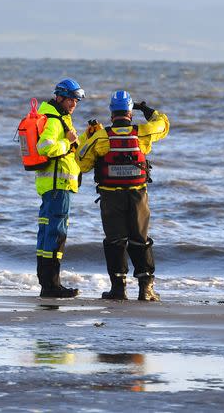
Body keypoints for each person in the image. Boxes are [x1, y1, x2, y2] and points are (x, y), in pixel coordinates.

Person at [77, 90, 169, 301]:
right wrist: (146, 109)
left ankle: (118, 289)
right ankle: (146, 290)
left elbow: (82, 164)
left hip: (110, 198)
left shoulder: (101, 137)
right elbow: (163, 124)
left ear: (111, 113)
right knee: (140, 240)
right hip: (138, 195)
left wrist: (88, 136)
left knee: (115, 241)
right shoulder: (143, 132)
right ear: (130, 112)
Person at [34, 78, 85, 298]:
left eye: (77, 100)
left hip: (52, 186)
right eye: (72, 99)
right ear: (60, 97)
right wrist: (68, 143)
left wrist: (82, 138)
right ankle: (52, 286)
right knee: (56, 234)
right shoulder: (55, 121)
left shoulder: (57, 117)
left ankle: (47, 284)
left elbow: (70, 145)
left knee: (47, 232)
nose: (74, 103)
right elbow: (44, 147)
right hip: (58, 186)